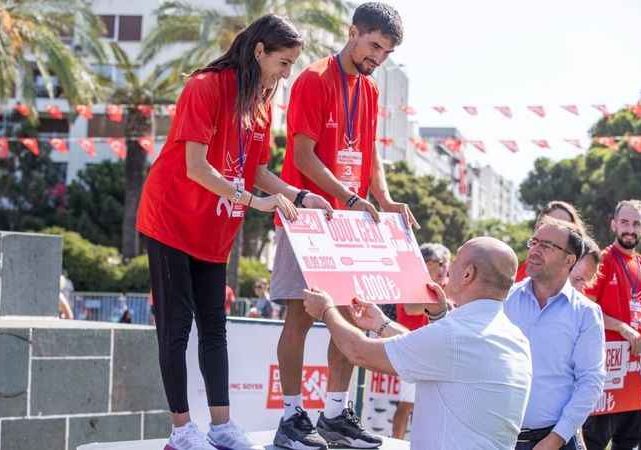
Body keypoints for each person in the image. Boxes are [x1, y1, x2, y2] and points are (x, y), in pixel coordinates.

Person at [135, 15, 333, 450]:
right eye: (284, 63)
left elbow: (258, 170)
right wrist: (253, 203)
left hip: (213, 227)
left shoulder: (260, 102)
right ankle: (182, 430)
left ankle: (222, 426)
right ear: (259, 52)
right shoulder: (205, 87)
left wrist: (300, 197)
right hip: (171, 218)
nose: (287, 73)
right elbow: (195, 167)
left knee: (214, 325)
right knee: (175, 327)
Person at [270, 4, 418, 449]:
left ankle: (335, 414)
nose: (378, 57)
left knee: (353, 316)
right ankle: (292, 416)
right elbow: (301, 156)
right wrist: (349, 196)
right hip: (309, 217)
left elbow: (369, 154)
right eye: (374, 45)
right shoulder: (313, 78)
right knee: (299, 315)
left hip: (353, 222)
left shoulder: (369, 90)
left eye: (387, 52)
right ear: (353, 33)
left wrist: (383, 198)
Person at [302, 237, 532, 450]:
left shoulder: (456, 336)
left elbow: (358, 352)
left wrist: (326, 311)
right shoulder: (515, 338)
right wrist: (382, 323)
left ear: (467, 274)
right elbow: (434, 352)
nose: (448, 267)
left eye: (455, 260)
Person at [505, 217, 606, 449]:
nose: (535, 250)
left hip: (554, 441)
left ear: (569, 259)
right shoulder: (505, 299)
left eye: (547, 246)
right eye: (534, 242)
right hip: (500, 439)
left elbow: (590, 381)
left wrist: (556, 438)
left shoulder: (586, 314)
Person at [581, 200, 641, 450]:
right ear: (613, 225)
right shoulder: (602, 260)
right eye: (624, 222)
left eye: (635, 223)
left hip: (637, 369)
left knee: (630, 441)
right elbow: (585, 310)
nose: (629, 229)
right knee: (595, 441)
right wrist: (621, 327)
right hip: (607, 369)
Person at [391, 242, 450, 439]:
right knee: (407, 404)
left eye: (445, 263)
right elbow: (410, 309)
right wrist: (443, 302)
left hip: (431, 349)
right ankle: (398, 443)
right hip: (414, 347)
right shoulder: (414, 283)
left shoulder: (439, 286)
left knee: (422, 405)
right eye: (439, 262)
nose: (443, 268)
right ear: (426, 263)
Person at [516, 201, 588, 282]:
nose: (553, 229)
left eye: (563, 226)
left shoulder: (580, 276)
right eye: (548, 223)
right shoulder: (520, 275)